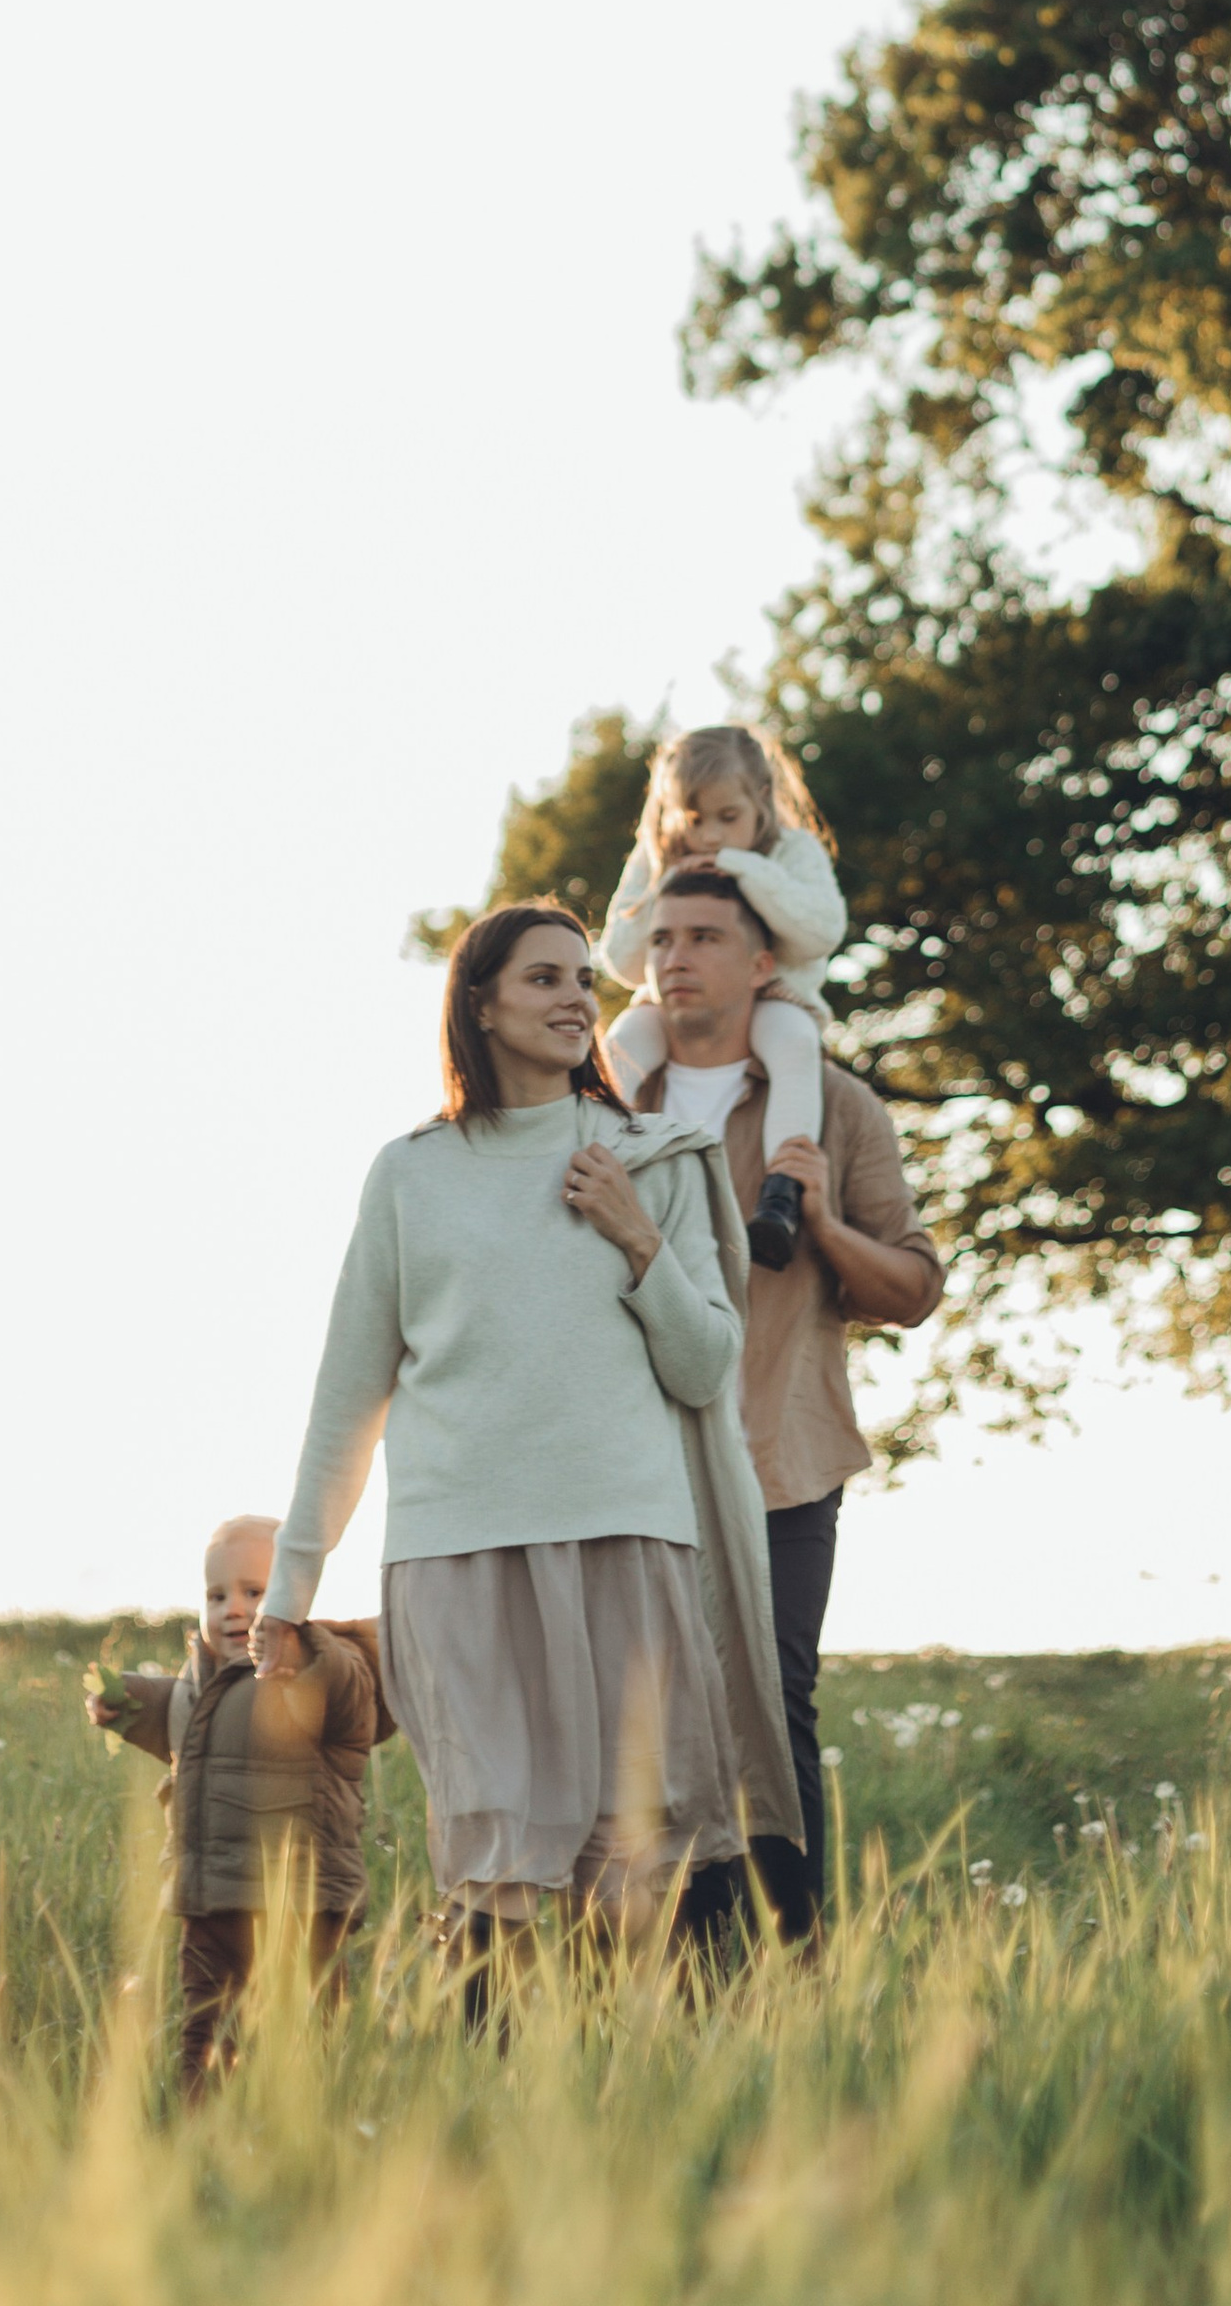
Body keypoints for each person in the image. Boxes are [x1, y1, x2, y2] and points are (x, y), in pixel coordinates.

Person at [252, 900, 798, 1995]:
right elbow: (347, 1393)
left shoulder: (657, 1157)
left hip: (624, 1535)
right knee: (495, 1856)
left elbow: (704, 1370)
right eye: (544, 978)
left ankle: (643, 2100)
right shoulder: (408, 1174)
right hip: (459, 1550)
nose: (574, 998)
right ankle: (494, 2102)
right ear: (481, 1003)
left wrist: (635, 1235)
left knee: (633, 1852)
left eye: (583, 979)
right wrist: (289, 1584)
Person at [623, 864, 943, 1941]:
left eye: (704, 936)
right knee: (649, 1717)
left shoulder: (836, 1104)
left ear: (763, 964)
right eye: (662, 937)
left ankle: (789, 1965)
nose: (676, 956)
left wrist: (821, 1225)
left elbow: (911, 1287)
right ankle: (679, 1963)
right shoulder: (606, 1099)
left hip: (781, 1453)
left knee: (771, 1704)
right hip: (633, 1461)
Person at [87, 1512, 382, 2095]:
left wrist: (306, 1652)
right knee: (205, 2035)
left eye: (256, 1592)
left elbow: (353, 1700)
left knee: (309, 2032)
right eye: (216, 1594)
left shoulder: (315, 1671)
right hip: (210, 1905)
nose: (234, 1608)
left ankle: (314, 2136)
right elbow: (181, 1722)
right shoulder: (198, 1683)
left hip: (301, 1903)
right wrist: (123, 1703)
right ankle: (203, 2138)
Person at [598, 724, 846, 1275]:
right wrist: (667, 883)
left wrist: (747, 869)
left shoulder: (791, 849)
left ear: (761, 801)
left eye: (726, 818)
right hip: (675, 1001)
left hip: (777, 995)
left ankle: (780, 1196)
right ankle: (590, 1161)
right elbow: (623, 959)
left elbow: (821, 931)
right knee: (620, 1046)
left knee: (796, 1047)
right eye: (693, 819)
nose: (709, 836)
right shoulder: (656, 855)